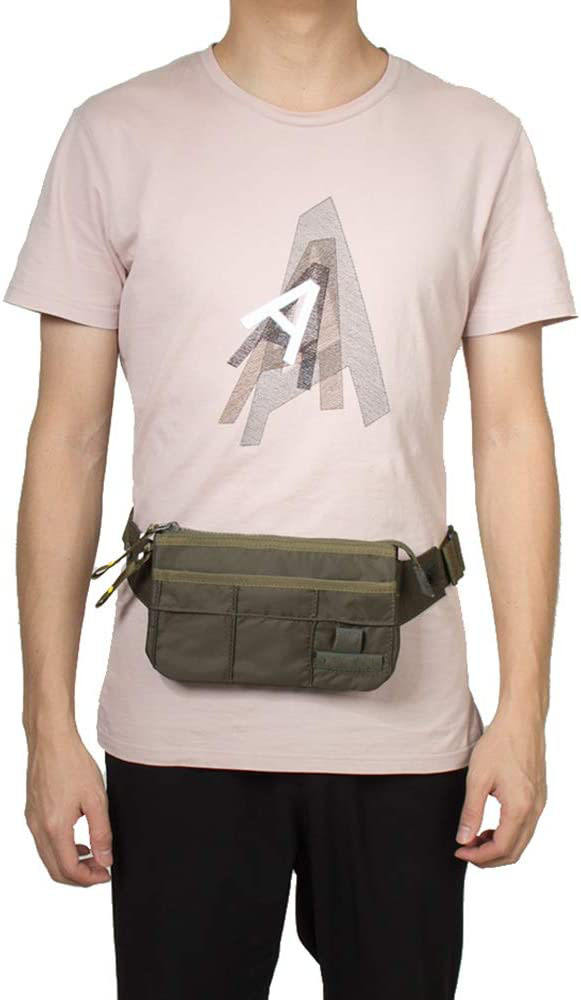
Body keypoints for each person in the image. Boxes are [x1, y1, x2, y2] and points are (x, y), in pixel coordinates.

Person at [5, 1, 576, 998]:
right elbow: (67, 439)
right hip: (176, 729)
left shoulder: (479, 141)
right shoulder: (113, 135)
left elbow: (512, 436)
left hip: (406, 731)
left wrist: (524, 715)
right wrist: (46, 730)